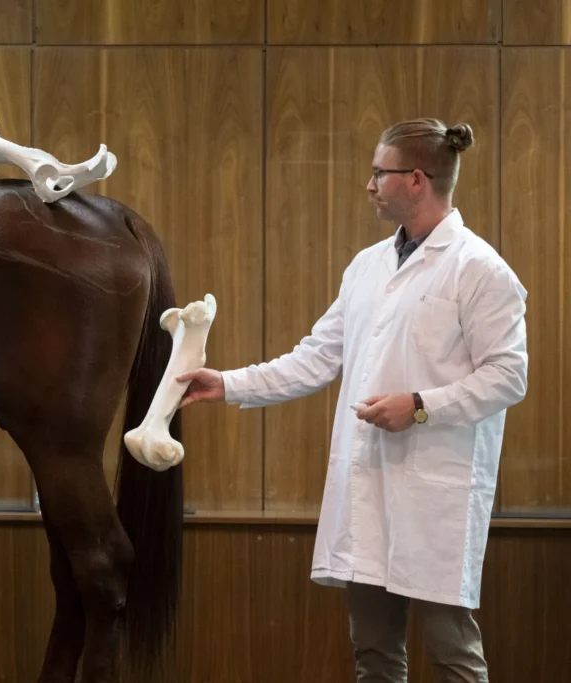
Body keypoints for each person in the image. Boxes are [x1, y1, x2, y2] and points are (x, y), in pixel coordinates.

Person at [177, 119, 528, 682]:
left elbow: (509, 376)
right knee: (373, 653)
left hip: (437, 493)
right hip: (368, 486)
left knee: (453, 655)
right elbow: (318, 356)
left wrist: (418, 405)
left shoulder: (480, 269)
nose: (369, 184)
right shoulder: (367, 266)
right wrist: (229, 383)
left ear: (416, 179)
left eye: (378, 173)